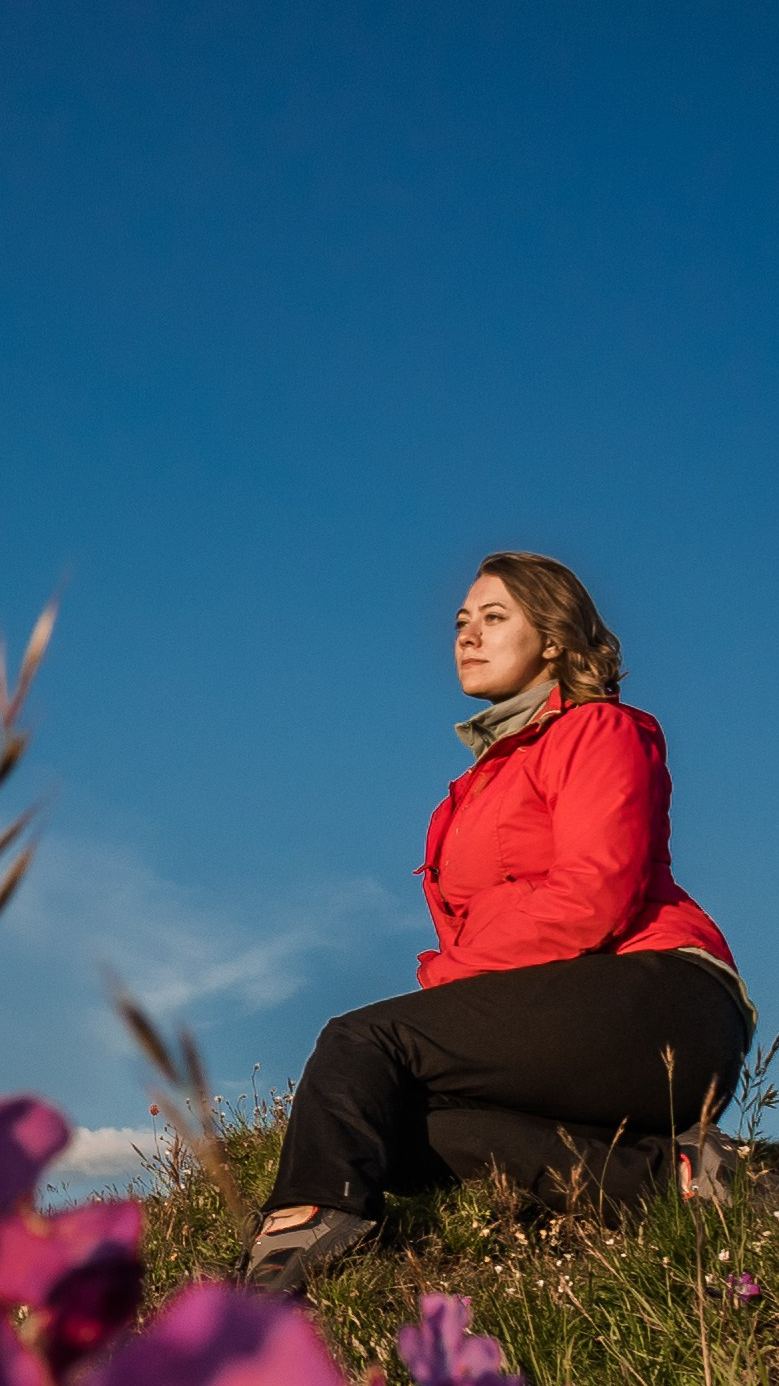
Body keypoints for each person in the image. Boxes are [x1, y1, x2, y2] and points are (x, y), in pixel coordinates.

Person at [244, 551, 751, 1295]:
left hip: (665, 1002)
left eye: (492, 618)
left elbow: (593, 897)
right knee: (394, 1127)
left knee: (357, 1041)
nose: (465, 637)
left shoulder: (596, 730)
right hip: (564, 1011)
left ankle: (291, 1241)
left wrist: (439, 986)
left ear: (550, 640)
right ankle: (672, 1181)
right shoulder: (466, 794)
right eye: (459, 622)